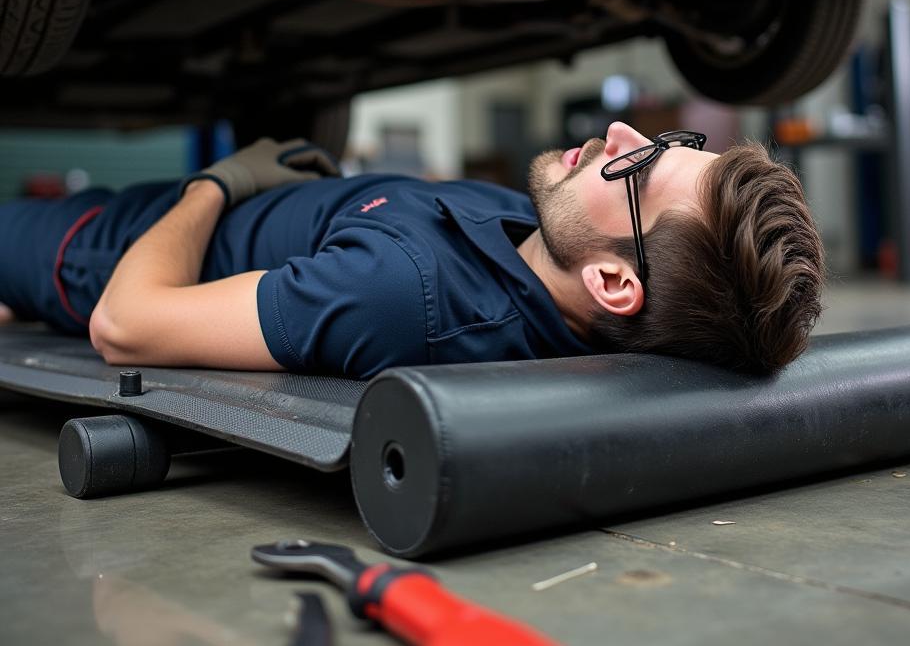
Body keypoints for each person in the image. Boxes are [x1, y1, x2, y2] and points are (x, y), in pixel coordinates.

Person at [0, 123, 825, 378]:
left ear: (613, 281)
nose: (618, 133)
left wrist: (219, 182)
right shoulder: (551, 241)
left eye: (640, 164)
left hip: (102, 248)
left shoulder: (403, 295)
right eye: (665, 138)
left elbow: (125, 322)